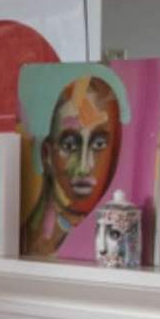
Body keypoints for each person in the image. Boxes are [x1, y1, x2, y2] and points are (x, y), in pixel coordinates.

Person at [24, 70, 124, 255]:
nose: (84, 166)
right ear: (47, 154)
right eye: (69, 145)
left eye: (98, 144)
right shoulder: (31, 240)